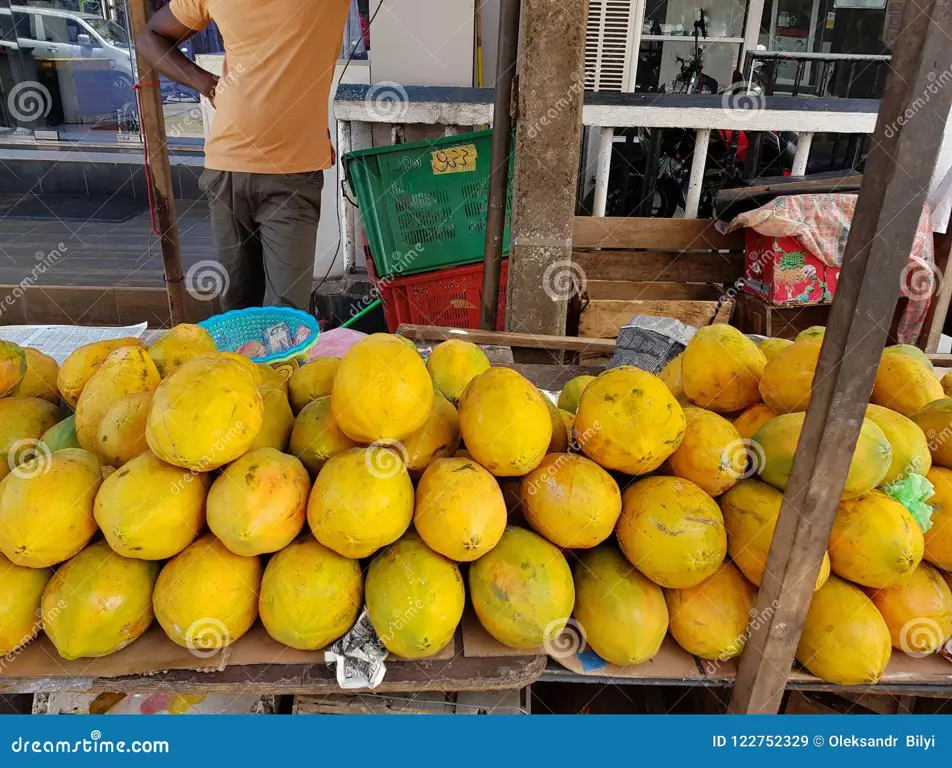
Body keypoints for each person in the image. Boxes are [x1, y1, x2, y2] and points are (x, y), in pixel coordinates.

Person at [136, 0, 351, 310]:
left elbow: (150, 38)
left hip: (290, 173)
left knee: (285, 317)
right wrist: (207, 84)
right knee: (237, 309)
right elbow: (150, 38)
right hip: (228, 166)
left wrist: (207, 85)